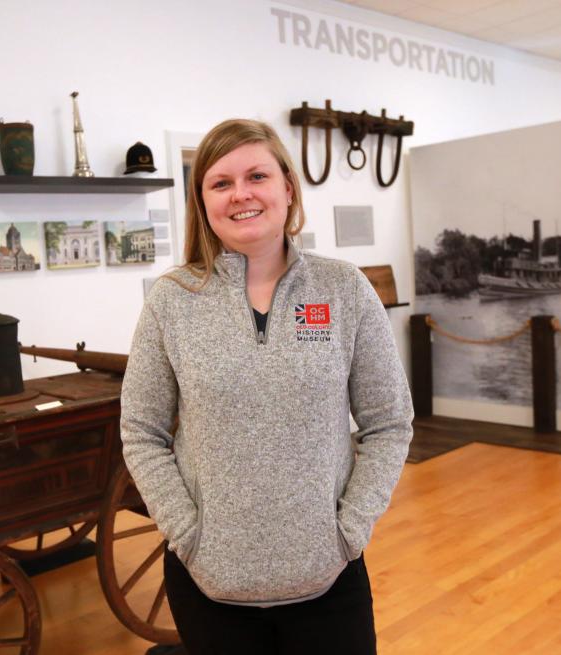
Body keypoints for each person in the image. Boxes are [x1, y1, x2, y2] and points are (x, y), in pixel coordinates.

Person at [119, 118, 413, 654]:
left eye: (256, 175)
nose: (241, 194)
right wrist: (188, 535)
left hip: (329, 580)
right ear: (202, 200)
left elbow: (388, 422)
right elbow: (141, 432)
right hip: (208, 584)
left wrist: (349, 529)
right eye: (221, 182)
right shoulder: (172, 301)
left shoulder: (344, 289)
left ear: (287, 188)